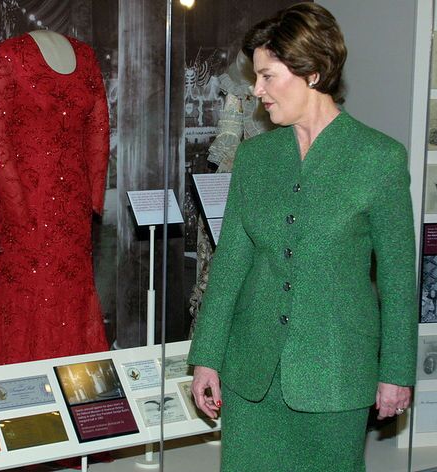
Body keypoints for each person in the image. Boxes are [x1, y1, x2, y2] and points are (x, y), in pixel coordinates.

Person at [188, 4, 417, 471]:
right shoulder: (255, 159)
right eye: (257, 78)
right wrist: (206, 357)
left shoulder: (379, 158)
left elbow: (397, 277)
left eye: (268, 76)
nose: (257, 91)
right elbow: (231, 261)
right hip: (250, 374)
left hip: (335, 375)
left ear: (311, 72)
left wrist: (396, 371)